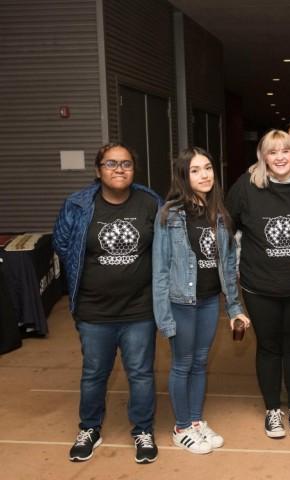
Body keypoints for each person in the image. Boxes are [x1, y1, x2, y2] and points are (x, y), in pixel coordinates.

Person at [53, 142, 162, 464]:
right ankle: (89, 428)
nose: (119, 170)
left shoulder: (151, 202)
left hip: (140, 308)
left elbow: (165, 247)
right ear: (98, 170)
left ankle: (142, 429)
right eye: (111, 164)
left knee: (141, 373)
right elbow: (62, 243)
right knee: (94, 373)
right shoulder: (77, 205)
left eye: (126, 164)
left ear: (134, 169)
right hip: (93, 309)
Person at [226, 130, 290, 439]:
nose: (280, 157)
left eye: (286, 151)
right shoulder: (246, 187)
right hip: (259, 286)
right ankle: (272, 410)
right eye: (272, 152)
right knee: (268, 348)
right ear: (263, 157)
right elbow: (226, 227)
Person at [153, 147, 249, 454]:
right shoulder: (170, 214)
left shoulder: (219, 213)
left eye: (207, 168)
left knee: (200, 363)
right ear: (183, 176)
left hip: (209, 301)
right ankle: (181, 428)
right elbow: (160, 268)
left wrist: (234, 306)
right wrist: (163, 316)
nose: (204, 175)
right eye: (195, 170)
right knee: (182, 364)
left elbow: (229, 263)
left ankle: (195, 422)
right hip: (182, 302)